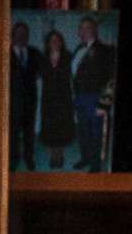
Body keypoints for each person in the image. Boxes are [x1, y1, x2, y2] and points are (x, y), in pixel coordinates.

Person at [69, 15, 116, 172]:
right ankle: (85, 158)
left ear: (94, 30)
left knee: (96, 133)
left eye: (87, 27)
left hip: (96, 98)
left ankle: (96, 165)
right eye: (81, 28)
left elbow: (111, 79)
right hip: (79, 98)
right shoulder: (77, 49)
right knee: (82, 131)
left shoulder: (106, 50)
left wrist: (104, 103)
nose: (83, 30)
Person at [34, 27, 77, 170]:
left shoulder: (69, 56)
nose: (55, 42)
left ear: (61, 42)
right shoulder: (42, 58)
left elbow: (76, 76)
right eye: (52, 40)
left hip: (64, 99)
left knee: (62, 128)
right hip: (48, 99)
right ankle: (53, 156)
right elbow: (37, 75)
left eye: (58, 40)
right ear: (48, 43)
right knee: (50, 128)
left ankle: (60, 155)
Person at [8, 20, 39, 168]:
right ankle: (13, 160)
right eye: (19, 34)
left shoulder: (34, 52)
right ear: (13, 35)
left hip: (30, 101)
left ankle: (29, 158)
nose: (22, 37)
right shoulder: (5, 53)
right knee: (12, 133)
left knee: (29, 133)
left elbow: (43, 71)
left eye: (24, 34)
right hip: (12, 101)